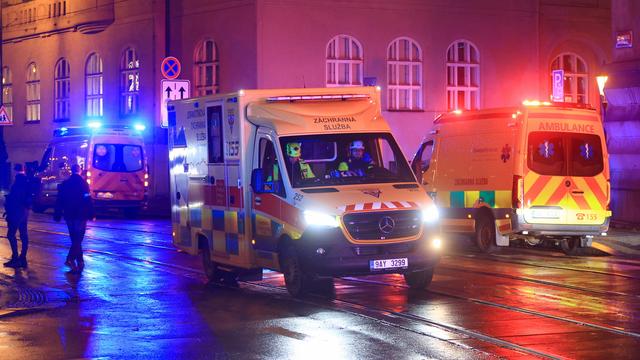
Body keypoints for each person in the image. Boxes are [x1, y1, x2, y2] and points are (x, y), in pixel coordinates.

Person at [54, 164, 94, 273]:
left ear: (71, 171)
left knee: (74, 237)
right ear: (79, 171)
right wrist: (91, 212)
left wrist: (57, 213)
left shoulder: (66, 184)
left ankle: (79, 260)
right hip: (80, 214)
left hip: (69, 213)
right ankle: (72, 259)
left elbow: (60, 199)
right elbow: (87, 198)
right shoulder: (83, 183)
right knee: (78, 238)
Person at [3, 164, 33, 268]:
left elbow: (15, 198)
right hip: (24, 211)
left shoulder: (17, 182)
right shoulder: (27, 180)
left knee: (11, 234)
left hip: (16, 212)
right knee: (23, 234)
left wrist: (8, 202)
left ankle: (15, 258)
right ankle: (23, 258)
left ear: (15, 171)